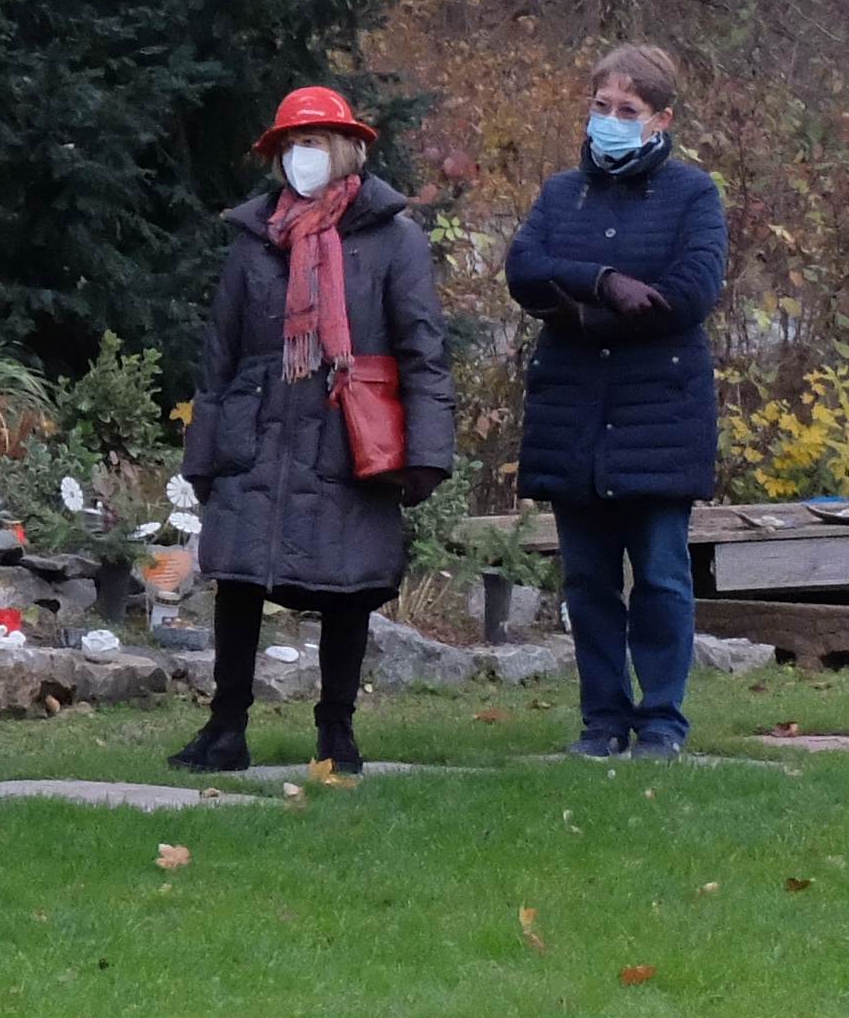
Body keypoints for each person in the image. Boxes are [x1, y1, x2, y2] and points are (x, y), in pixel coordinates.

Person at [170, 86, 454, 775]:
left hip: (345, 431)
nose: (300, 157)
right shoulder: (252, 238)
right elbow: (220, 352)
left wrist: (426, 454)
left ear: (346, 148)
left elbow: (423, 349)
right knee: (238, 579)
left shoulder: (394, 238)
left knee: (348, 585)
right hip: (257, 426)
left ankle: (337, 730)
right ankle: (225, 725)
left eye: (312, 143)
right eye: (289, 145)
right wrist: (204, 453)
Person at [508, 43, 727, 760]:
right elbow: (525, 269)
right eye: (601, 106)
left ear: (659, 119)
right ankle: (602, 718)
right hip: (574, 414)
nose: (609, 120)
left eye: (626, 111)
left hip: (658, 415)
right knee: (590, 580)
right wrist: (605, 281)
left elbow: (686, 293)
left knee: (662, 575)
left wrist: (580, 310)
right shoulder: (559, 192)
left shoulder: (693, 195)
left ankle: (662, 720)